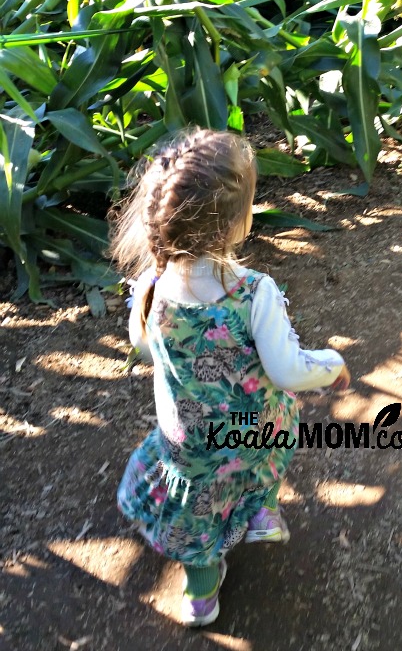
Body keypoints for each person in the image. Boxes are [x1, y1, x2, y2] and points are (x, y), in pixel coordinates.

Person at [109, 128, 351, 627]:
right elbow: (285, 369)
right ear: (234, 224)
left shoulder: (151, 286)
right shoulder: (253, 292)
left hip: (190, 441)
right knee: (268, 431)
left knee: (198, 514)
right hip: (251, 435)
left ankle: (201, 599)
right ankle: (260, 510)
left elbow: (141, 345)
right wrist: (330, 364)